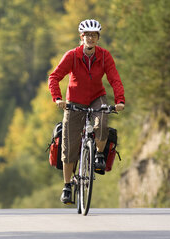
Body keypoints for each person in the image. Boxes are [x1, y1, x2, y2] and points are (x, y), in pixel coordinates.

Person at [48, 19, 125, 204]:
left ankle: (98, 154)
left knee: (102, 122)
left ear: (98, 38)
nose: (90, 38)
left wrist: (120, 100)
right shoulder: (72, 56)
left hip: (97, 97)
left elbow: (115, 79)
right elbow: (54, 77)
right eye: (87, 35)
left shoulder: (105, 56)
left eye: (94, 35)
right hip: (74, 101)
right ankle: (67, 186)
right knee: (69, 144)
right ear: (81, 37)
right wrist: (58, 98)